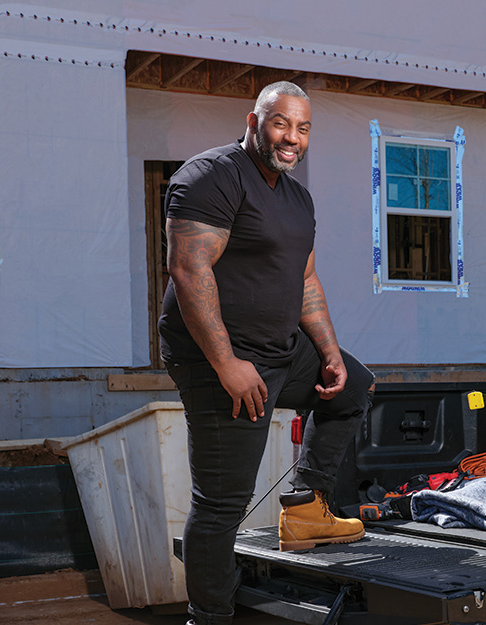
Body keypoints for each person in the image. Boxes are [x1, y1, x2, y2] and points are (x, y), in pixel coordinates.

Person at [158, 81, 374, 625]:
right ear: (254, 121)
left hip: (282, 350)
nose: (292, 138)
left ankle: (305, 509)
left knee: (352, 389)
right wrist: (227, 365)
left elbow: (305, 280)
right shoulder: (212, 175)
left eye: (303, 128)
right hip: (219, 359)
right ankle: (208, 617)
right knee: (222, 503)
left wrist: (328, 351)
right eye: (281, 123)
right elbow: (189, 269)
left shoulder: (297, 196)